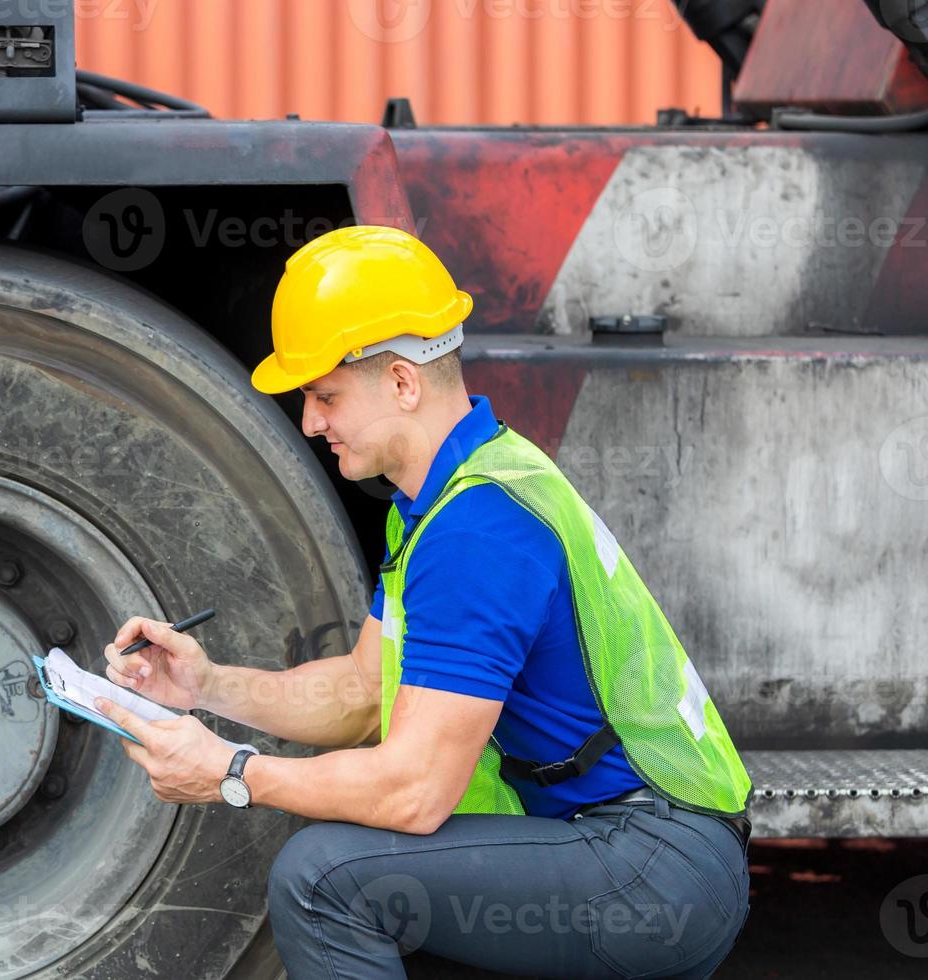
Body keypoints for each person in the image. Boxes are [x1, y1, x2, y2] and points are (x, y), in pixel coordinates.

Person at [93, 225, 752, 979]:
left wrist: (233, 773)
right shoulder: (442, 501)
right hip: (630, 849)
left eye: (325, 394)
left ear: (403, 382)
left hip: (653, 864)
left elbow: (413, 793)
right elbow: (357, 698)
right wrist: (205, 688)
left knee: (323, 883)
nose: (310, 423)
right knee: (385, 887)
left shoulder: (478, 527)